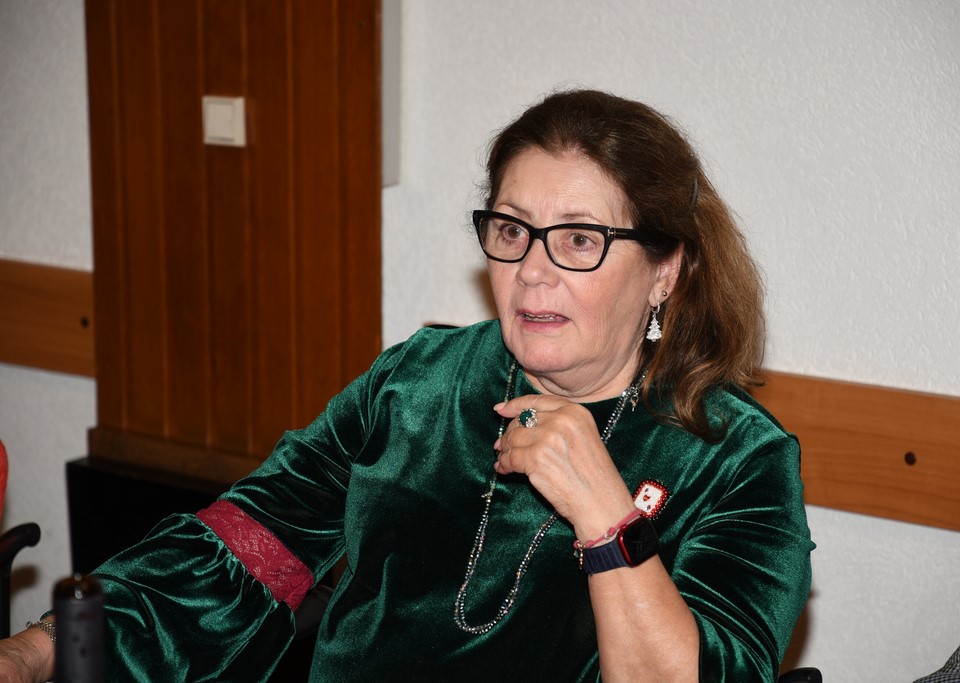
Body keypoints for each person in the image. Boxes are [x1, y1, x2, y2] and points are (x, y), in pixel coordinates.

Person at [1, 89, 813, 682]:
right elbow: (244, 548)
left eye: (577, 239)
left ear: (667, 269)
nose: (532, 270)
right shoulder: (420, 380)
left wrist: (607, 517)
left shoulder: (737, 459)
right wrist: (38, 649)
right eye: (512, 229)